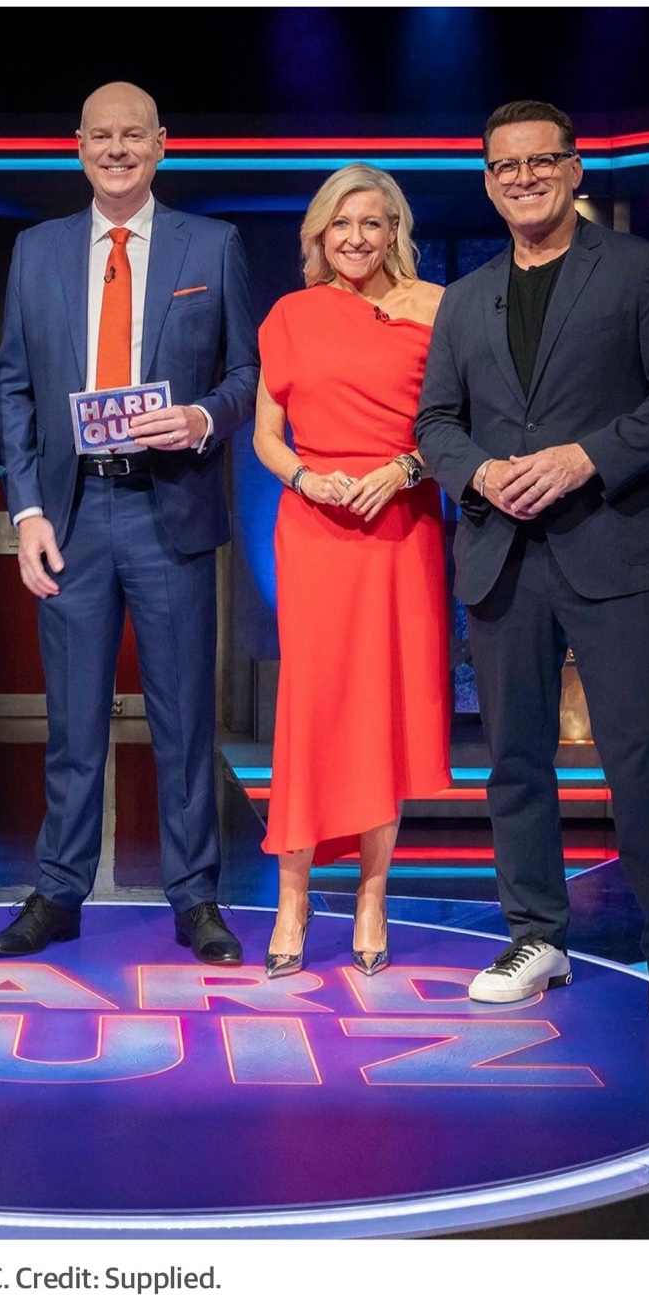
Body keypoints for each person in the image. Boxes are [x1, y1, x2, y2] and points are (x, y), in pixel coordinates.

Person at [415, 100, 649, 1044]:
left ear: (574, 167)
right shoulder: (465, 297)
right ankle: (535, 936)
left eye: (540, 161)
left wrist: (588, 456)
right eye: (505, 166)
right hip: (501, 556)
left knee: (644, 760)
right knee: (515, 762)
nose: (523, 178)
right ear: (487, 182)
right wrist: (479, 474)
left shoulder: (637, 269)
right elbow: (436, 424)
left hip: (612, 548)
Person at [0, 81, 259, 962]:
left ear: (161, 144)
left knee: (184, 718)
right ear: (78, 147)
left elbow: (247, 373)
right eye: (100, 136)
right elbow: (14, 387)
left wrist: (203, 417)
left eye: (132, 135)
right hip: (71, 515)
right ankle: (59, 891)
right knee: (73, 722)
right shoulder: (36, 251)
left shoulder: (212, 246)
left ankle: (196, 898)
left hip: (167, 506)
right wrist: (28, 509)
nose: (116, 149)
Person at [253, 165, 452, 977]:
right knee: (312, 711)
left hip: (401, 527)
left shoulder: (438, 309)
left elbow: (459, 426)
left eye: (372, 222)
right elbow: (267, 436)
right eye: (340, 224)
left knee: (380, 711)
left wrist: (403, 470)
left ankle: (373, 897)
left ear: (395, 230)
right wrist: (306, 478)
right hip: (315, 531)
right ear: (319, 234)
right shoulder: (290, 314)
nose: (356, 238)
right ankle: (292, 897)